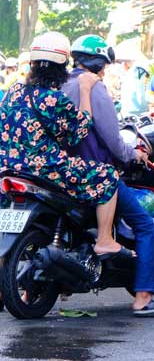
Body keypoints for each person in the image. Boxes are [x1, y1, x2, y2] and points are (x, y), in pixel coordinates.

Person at [62, 35, 154, 315]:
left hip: (59, 173)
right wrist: (130, 155)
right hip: (94, 173)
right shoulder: (95, 88)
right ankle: (143, 296)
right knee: (144, 224)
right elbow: (112, 140)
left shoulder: (59, 85)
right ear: (101, 63)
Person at [0, 33, 121, 259]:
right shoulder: (54, 100)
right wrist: (85, 89)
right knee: (107, 175)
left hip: (8, 170)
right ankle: (104, 239)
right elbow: (81, 130)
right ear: (62, 67)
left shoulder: (13, 92)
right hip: (45, 170)